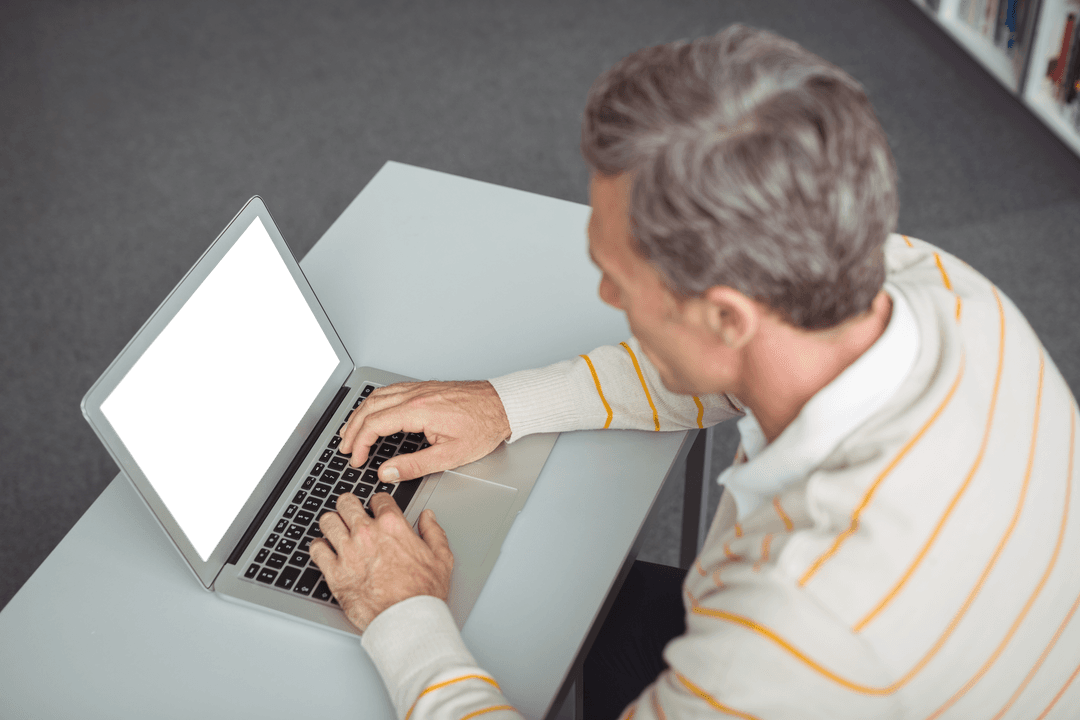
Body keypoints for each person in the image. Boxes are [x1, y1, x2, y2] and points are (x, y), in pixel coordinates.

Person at [309, 23, 1080, 720]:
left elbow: (794, 645)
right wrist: (507, 405)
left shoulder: (806, 622)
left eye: (619, 279)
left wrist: (403, 615)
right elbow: (727, 369)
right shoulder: (944, 289)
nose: (605, 297)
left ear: (725, 318)